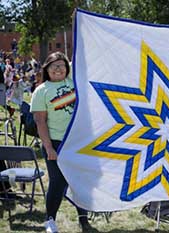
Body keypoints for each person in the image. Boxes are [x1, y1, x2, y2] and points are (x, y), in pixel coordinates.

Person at [30, 52, 91, 233]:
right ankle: (50, 220)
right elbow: (40, 121)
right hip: (56, 143)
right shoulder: (41, 91)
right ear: (46, 69)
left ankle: (83, 218)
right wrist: (48, 147)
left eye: (62, 65)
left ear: (67, 69)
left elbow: (82, 57)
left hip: (78, 142)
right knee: (57, 182)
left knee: (79, 181)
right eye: (53, 65)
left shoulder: (75, 83)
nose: (58, 68)